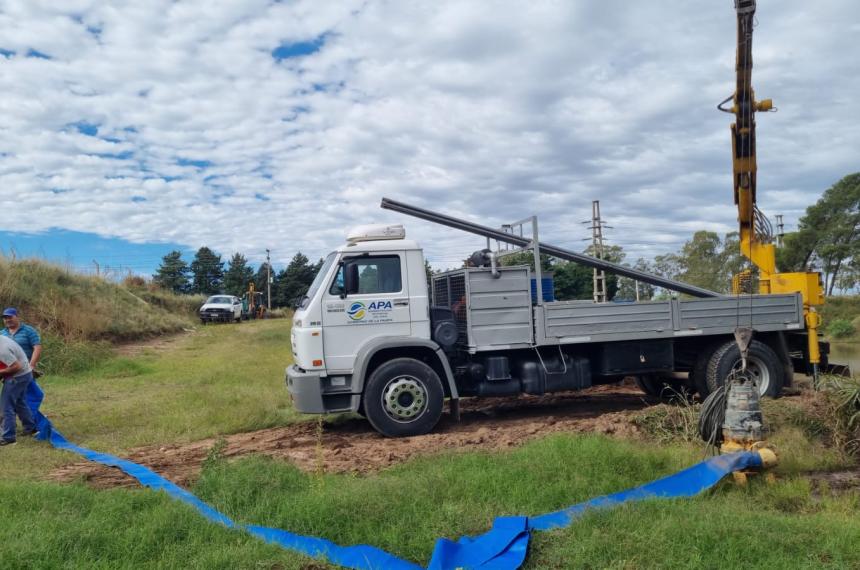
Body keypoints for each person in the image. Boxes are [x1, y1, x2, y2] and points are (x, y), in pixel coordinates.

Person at [1, 308, 49, 436]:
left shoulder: (28, 330)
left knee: (14, 401)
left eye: (10, 317)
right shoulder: (3, 334)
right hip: (12, 371)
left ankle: (8, 434)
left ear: (17, 316)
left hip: (21, 370)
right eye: (5, 318)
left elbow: (37, 347)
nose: (7, 320)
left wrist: (32, 365)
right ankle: (30, 427)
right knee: (19, 400)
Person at [0, 334, 37, 445]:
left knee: (6, 406)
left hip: (18, 376)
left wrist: (1, 373)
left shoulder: (2, 349)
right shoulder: (2, 338)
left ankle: (9, 438)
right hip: (25, 374)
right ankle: (31, 428)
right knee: (19, 402)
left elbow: (16, 366)